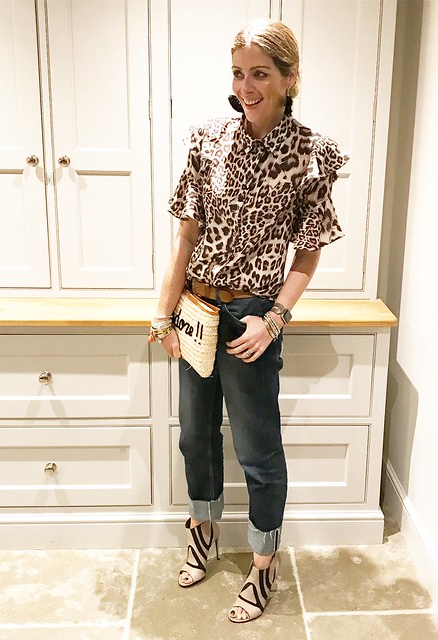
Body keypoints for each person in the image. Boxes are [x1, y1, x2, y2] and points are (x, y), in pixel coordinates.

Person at [149, 18, 347, 623]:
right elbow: (186, 238)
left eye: (260, 73)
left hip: (250, 318)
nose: (246, 86)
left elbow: (307, 254)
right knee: (195, 435)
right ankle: (203, 529)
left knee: (258, 449)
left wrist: (274, 319)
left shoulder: (311, 154)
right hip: (196, 309)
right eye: (238, 73)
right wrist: (163, 314)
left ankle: (263, 564)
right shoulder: (208, 139)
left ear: (290, 78)